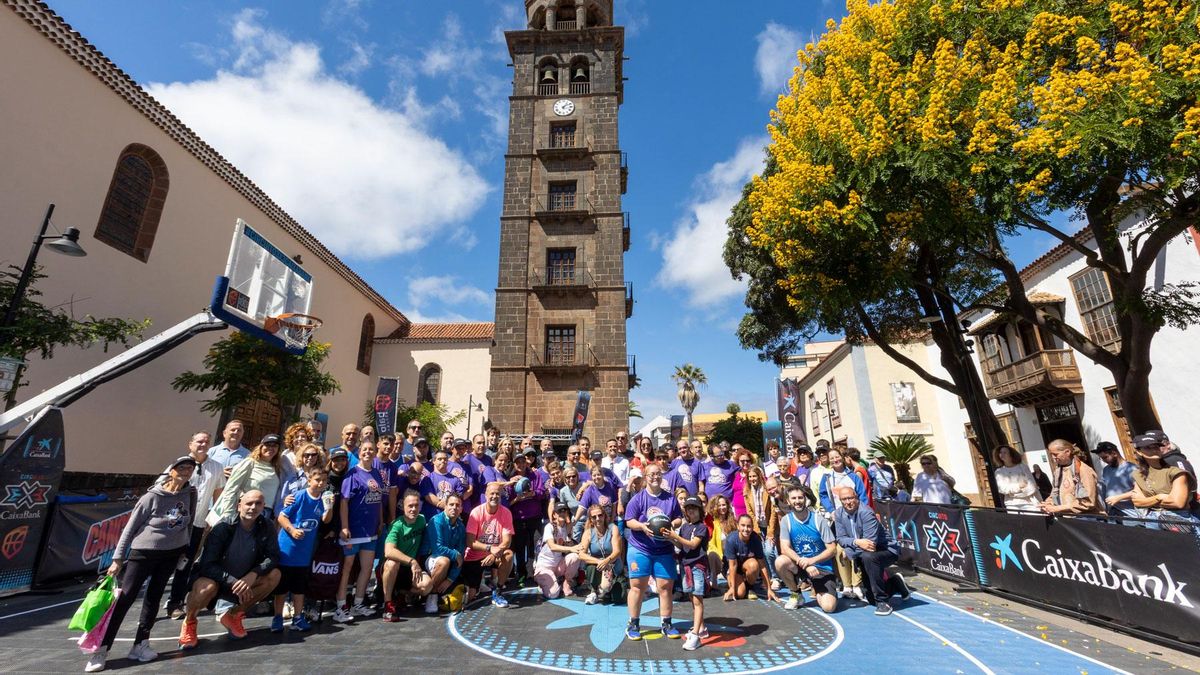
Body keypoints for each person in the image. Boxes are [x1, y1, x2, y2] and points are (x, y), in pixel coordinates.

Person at [85, 457, 197, 672]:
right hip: (144, 553)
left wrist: (185, 549)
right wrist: (117, 559)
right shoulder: (151, 497)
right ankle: (101, 649)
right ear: (171, 471)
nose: (185, 471)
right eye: (181, 467)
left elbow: (188, 523)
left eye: (190, 469)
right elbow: (130, 528)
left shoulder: (190, 493)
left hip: (171, 554)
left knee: (153, 599)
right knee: (124, 599)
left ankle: (140, 644)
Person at [179, 490, 281, 650]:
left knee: (274, 575)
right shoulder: (223, 527)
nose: (253, 507)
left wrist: (254, 574)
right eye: (249, 503)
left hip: (244, 579)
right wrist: (233, 581)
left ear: (263, 507)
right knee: (206, 587)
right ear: (239, 506)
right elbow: (207, 564)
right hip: (217, 580)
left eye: (258, 504)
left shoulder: (266, 526)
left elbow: (274, 556)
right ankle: (190, 621)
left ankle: (233, 614)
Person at [164, 432, 225, 620]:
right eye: (199, 441)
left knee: (185, 565)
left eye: (206, 442)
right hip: (173, 525)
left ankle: (175, 603)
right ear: (190, 444)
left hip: (197, 525)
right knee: (163, 565)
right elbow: (163, 487)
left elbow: (219, 496)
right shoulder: (178, 464)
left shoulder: (216, 467)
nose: (203, 444)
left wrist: (212, 520)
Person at [623, 463, 683, 641]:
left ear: (662, 476)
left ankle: (666, 623)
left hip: (663, 548)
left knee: (665, 588)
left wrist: (672, 525)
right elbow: (628, 521)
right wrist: (641, 526)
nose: (655, 477)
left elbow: (678, 518)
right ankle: (633, 623)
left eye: (658, 474)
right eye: (651, 474)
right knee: (637, 587)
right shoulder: (638, 498)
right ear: (645, 477)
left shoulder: (670, 499)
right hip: (640, 548)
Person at [271, 466, 333, 632]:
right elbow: (282, 516)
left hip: (304, 553)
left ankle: (297, 618)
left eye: (323, 481)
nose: (320, 483)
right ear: (309, 481)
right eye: (317, 480)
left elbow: (325, 520)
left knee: (300, 588)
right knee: (282, 588)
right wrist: (292, 530)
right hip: (287, 549)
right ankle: (277, 617)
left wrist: (329, 507)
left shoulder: (323, 499)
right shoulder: (299, 496)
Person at [832, 486, 910, 616]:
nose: (848, 502)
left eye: (850, 498)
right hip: (862, 552)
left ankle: (883, 601)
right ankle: (895, 583)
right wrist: (855, 542)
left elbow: (870, 544)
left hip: (886, 549)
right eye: (844, 499)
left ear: (856, 498)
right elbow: (840, 538)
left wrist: (850, 551)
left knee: (869, 557)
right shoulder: (839, 514)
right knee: (870, 598)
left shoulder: (866, 513)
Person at [335, 441, 386, 622]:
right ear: (359, 452)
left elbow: (379, 499)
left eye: (371, 450)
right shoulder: (352, 474)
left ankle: (358, 603)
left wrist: (380, 521)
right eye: (365, 450)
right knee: (347, 569)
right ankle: (341, 606)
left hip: (370, 530)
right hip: (354, 531)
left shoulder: (376, 473)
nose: (368, 452)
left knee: (366, 568)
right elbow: (344, 502)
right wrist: (344, 526)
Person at [775, 483, 839, 613]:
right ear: (788, 501)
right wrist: (804, 563)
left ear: (805, 499)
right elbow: (785, 548)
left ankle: (819, 588)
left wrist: (812, 561)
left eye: (800, 498)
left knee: (829, 607)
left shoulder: (817, 519)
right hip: (801, 565)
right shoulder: (786, 521)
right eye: (794, 498)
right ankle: (796, 593)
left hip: (821, 567)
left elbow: (832, 549)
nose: (797, 501)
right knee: (780, 561)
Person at [1130, 433, 1200, 539]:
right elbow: (1137, 502)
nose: (1154, 450)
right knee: (1161, 553)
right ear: (1139, 452)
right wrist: (1160, 497)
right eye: (1148, 447)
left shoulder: (1176, 472)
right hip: (1151, 519)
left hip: (1177, 518)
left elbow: (1178, 502)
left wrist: (1148, 501)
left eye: (1156, 446)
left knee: (1189, 553)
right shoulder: (1138, 475)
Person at [380, 490, 434, 621]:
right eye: (410, 506)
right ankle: (388, 604)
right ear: (403, 506)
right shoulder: (397, 525)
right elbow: (388, 551)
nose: (413, 509)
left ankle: (403, 593)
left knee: (427, 586)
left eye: (416, 505)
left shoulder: (421, 520)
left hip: (409, 571)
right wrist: (412, 561)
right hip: (393, 569)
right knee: (392, 563)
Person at [208, 435, 285, 524]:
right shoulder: (249, 463)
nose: (271, 448)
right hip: (247, 510)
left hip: (265, 513)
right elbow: (231, 488)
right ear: (261, 446)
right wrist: (228, 513)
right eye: (267, 445)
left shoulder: (277, 468)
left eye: (274, 446)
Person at [463, 482, 515, 607]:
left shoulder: (506, 513)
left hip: (495, 554)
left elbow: (507, 541)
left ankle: (498, 591)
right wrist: (490, 548)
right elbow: (470, 542)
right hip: (474, 556)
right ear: (486, 495)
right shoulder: (476, 512)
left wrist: (495, 553)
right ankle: (476, 585)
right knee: (469, 597)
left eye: (497, 494)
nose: (494, 496)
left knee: (508, 555)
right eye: (492, 493)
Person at [419, 493, 467, 614]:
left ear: (461, 509)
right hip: (429, 558)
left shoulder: (461, 526)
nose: (454, 508)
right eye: (451, 504)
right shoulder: (436, 521)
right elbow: (438, 549)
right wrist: (455, 554)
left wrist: (450, 579)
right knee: (444, 561)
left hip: (447, 560)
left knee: (468, 591)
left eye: (457, 505)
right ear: (445, 506)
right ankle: (432, 595)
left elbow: (461, 554)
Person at [672, 496, 709, 651]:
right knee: (691, 597)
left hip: (697, 566)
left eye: (694, 508)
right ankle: (701, 628)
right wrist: (670, 538)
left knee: (697, 599)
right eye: (688, 508)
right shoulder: (685, 527)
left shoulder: (702, 527)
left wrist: (675, 536)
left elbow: (694, 545)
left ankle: (695, 634)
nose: (691, 511)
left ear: (700, 510)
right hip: (685, 565)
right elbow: (680, 545)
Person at [508, 451, 548, 585]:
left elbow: (542, 492)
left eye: (523, 462)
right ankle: (521, 574)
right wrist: (518, 498)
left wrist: (532, 493)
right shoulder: (511, 478)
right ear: (514, 464)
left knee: (534, 546)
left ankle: (532, 573)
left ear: (526, 462)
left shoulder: (534, 475)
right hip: (518, 518)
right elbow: (508, 499)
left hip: (534, 517)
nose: (521, 464)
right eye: (517, 462)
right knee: (519, 548)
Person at [722, 514, 780, 602]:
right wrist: (733, 588)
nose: (746, 529)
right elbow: (732, 566)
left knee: (754, 564)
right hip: (733, 569)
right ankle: (734, 583)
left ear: (753, 528)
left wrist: (769, 588)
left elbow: (762, 565)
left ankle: (749, 587)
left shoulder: (756, 539)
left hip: (747, 567)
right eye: (743, 525)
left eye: (749, 526)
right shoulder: (731, 540)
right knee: (740, 594)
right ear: (738, 526)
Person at [1040, 440, 1103, 516]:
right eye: (1051, 455)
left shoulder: (1084, 470)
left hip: (1087, 519)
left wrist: (1058, 508)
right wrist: (1048, 504)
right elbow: (1055, 494)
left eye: (1055, 454)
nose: (1053, 458)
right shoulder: (1058, 471)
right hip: (1068, 519)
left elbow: (1088, 503)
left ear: (1067, 452)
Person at [578, 504, 625, 605]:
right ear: (590, 519)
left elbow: (617, 551)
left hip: (613, 566)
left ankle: (606, 590)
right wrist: (599, 561)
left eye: (600, 515)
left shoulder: (613, 528)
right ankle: (594, 590)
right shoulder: (588, 533)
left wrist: (607, 561)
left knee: (618, 599)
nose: (598, 519)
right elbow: (581, 554)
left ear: (604, 515)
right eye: (594, 517)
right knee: (591, 567)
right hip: (598, 567)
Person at [533, 503, 580, 599]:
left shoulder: (567, 528)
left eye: (565, 511)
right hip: (544, 567)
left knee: (575, 557)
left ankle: (566, 583)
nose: (562, 513)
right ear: (554, 514)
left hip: (558, 566)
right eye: (560, 511)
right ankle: (542, 583)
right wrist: (571, 548)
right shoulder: (549, 527)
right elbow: (552, 546)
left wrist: (567, 519)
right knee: (553, 594)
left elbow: (572, 522)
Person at [420, 448, 470, 520]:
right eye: (440, 459)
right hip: (432, 518)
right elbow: (428, 496)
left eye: (445, 459)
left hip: (450, 519)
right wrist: (445, 506)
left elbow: (459, 497)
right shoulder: (428, 478)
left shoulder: (455, 479)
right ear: (434, 461)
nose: (443, 461)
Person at [1094, 441, 1138, 519]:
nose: (1104, 461)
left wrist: (1118, 498)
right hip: (1112, 512)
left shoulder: (1132, 469)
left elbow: (1139, 492)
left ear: (1114, 454)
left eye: (1105, 457)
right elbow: (1103, 489)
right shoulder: (1106, 470)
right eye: (1101, 458)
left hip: (1130, 514)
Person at [993, 445, 1040, 513]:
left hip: (1029, 502)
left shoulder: (1023, 467)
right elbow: (1002, 489)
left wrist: (1013, 493)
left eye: (1005, 452)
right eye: (1000, 452)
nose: (1002, 454)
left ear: (1011, 454)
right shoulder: (999, 472)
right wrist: (1019, 486)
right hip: (1011, 504)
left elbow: (1032, 486)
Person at [706, 494, 736, 590]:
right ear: (714, 507)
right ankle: (713, 580)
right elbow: (710, 544)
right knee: (711, 554)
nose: (722, 507)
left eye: (724, 505)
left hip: (729, 558)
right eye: (719, 505)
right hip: (718, 558)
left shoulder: (732, 522)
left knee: (734, 586)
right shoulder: (711, 522)